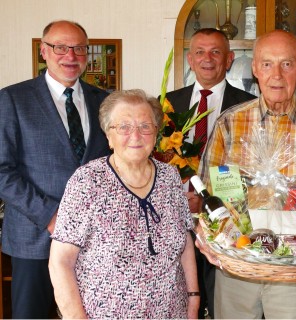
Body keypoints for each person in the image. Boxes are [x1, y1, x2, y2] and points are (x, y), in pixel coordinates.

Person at [196, 30, 296, 319]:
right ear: (255, 68)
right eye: (267, 64)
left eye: (287, 64)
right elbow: (207, 199)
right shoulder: (229, 124)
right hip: (237, 267)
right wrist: (205, 240)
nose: (277, 75)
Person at [48, 89, 199, 318]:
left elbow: (185, 241)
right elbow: (60, 262)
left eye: (145, 126)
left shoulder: (169, 177)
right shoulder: (87, 181)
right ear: (109, 135)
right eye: (124, 127)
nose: (136, 135)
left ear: (156, 133)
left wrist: (194, 299)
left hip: (172, 312)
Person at [0, 20, 110, 318]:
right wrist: (50, 216)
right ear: (43, 51)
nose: (70, 56)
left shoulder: (105, 101)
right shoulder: (12, 99)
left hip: (93, 240)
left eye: (79, 49)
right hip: (34, 237)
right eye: (60, 47)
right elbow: (2, 171)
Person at [166, 27, 256, 319]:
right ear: (190, 59)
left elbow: (252, 165)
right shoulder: (167, 103)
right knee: (182, 299)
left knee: (222, 303)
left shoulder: (248, 106)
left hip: (226, 218)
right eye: (200, 52)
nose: (208, 59)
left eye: (216, 52)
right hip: (177, 219)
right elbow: (157, 160)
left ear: (229, 59)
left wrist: (207, 200)